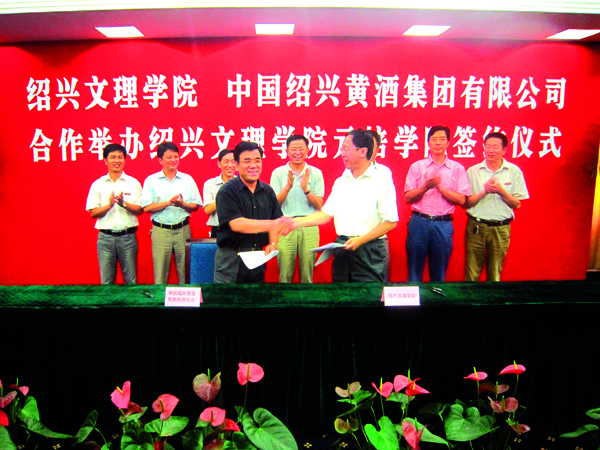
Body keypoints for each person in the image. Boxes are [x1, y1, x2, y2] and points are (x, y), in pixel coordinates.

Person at [292, 129, 398, 283]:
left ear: (363, 151)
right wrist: (294, 222)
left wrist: (360, 240)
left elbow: (390, 222)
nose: (342, 154)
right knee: (340, 293)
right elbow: (325, 214)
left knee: (367, 294)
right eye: (341, 149)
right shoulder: (341, 181)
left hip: (369, 249)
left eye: (346, 149)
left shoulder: (381, 180)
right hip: (342, 247)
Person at [214, 141, 293, 283]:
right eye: (247, 161)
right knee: (227, 297)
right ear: (237, 165)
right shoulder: (227, 191)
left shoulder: (267, 191)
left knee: (255, 296)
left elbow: (275, 220)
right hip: (231, 260)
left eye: (257, 160)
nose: (253, 165)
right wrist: (274, 224)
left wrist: (273, 243)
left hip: (258, 258)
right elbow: (237, 224)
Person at [404, 125, 470, 282]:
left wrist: (440, 188)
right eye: (434, 139)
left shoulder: (457, 169)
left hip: (443, 224)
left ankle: (436, 296)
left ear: (448, 143)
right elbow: (408, 197)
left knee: (439, 274)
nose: (438, 142)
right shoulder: (417, 166)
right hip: (419, 222)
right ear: (428, 143)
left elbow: (461, 200)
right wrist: (426, 187)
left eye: (442, 139)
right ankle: (413, 299)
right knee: (414, 272)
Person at [464, 132, 529, 281]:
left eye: (495, 147)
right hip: (476, 227)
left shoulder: (514, 171)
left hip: (501, 228)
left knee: (494, 275)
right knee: (471, 274)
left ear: (504, 150)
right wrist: (484, 192)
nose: (491, 150)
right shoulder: (473, 171)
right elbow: (466, 203)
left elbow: (517, 204)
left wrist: (501, 191)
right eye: (488, 146)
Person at [142, 142, 202, 284]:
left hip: (183, 230)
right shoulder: (151, 180)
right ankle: (159, 298)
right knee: (160, 274)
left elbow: (195, 205)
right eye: (169, 157)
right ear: (160, 160)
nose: (173, 160)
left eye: (176, 156)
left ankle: (186, 298)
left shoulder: (187, 179)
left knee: (186, 273)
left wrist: (183, 205)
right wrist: (167, 203)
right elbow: (146, 207)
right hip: (161, 231)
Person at [270, 135, 325, 283]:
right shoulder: (278, 173)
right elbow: (274, 205)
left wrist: (306, 189)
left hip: (309, 225)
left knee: (308, 273)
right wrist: (287, 187)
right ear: (287, 151)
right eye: (294, 149)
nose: (298, 152)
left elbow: (319, 205)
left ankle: (306, 298)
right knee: (285, 273)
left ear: (308, 150)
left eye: (301, 148)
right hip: (285, 226)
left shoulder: (315, 173)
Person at [86, 143, 143, 284]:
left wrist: (124, 204)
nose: (116, 160)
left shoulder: (133, 183)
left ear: (125, 160)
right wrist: (109, 206)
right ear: (105, 160)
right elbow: (93, 212)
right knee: (106, 282)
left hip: (128, 238)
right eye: (112, 157)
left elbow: (140, 209)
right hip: (106, 239)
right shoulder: (98, 184)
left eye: (120, 157)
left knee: (131, 281)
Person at [203, 149, 236, 238]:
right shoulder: (210, 184)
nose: (230, 165)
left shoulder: (242, 184)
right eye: (226, 162)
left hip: (239, 229)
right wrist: (224, 198)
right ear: (219, 164)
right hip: (218, 230)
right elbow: (208, 210)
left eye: (233, 162)